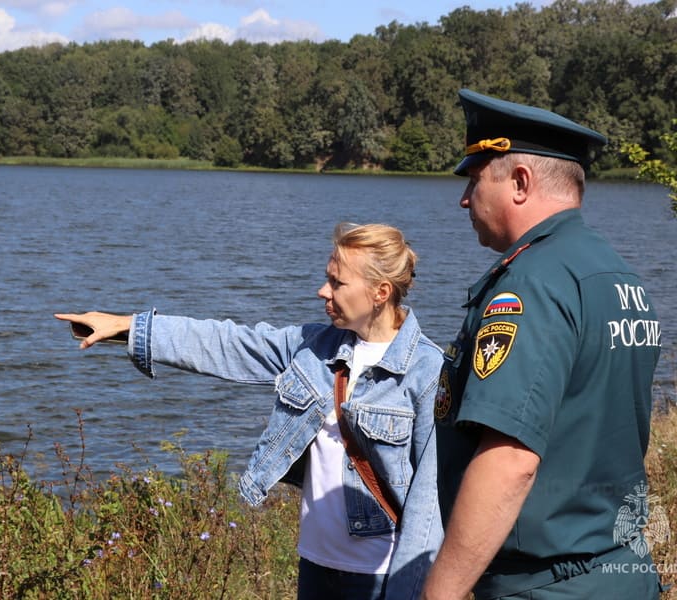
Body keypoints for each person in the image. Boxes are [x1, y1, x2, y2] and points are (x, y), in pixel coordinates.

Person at [56, 222, 443, 599]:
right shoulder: (313, 345)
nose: (323, 290)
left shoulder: (427, 372)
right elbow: (229, 343)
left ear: (381, 291)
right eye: (328, 277)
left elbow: (429, 506)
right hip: (315, 565)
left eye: (338, 283)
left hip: (377, 577)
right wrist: (129, 326)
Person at [421, 89, 664, 600]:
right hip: (620, 570)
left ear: (520, 182)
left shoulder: (530, 284)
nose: (464, 199)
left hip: (543, 585)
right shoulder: (619, 276)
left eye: (474, 178)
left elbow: (510, 462)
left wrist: (438, 594)